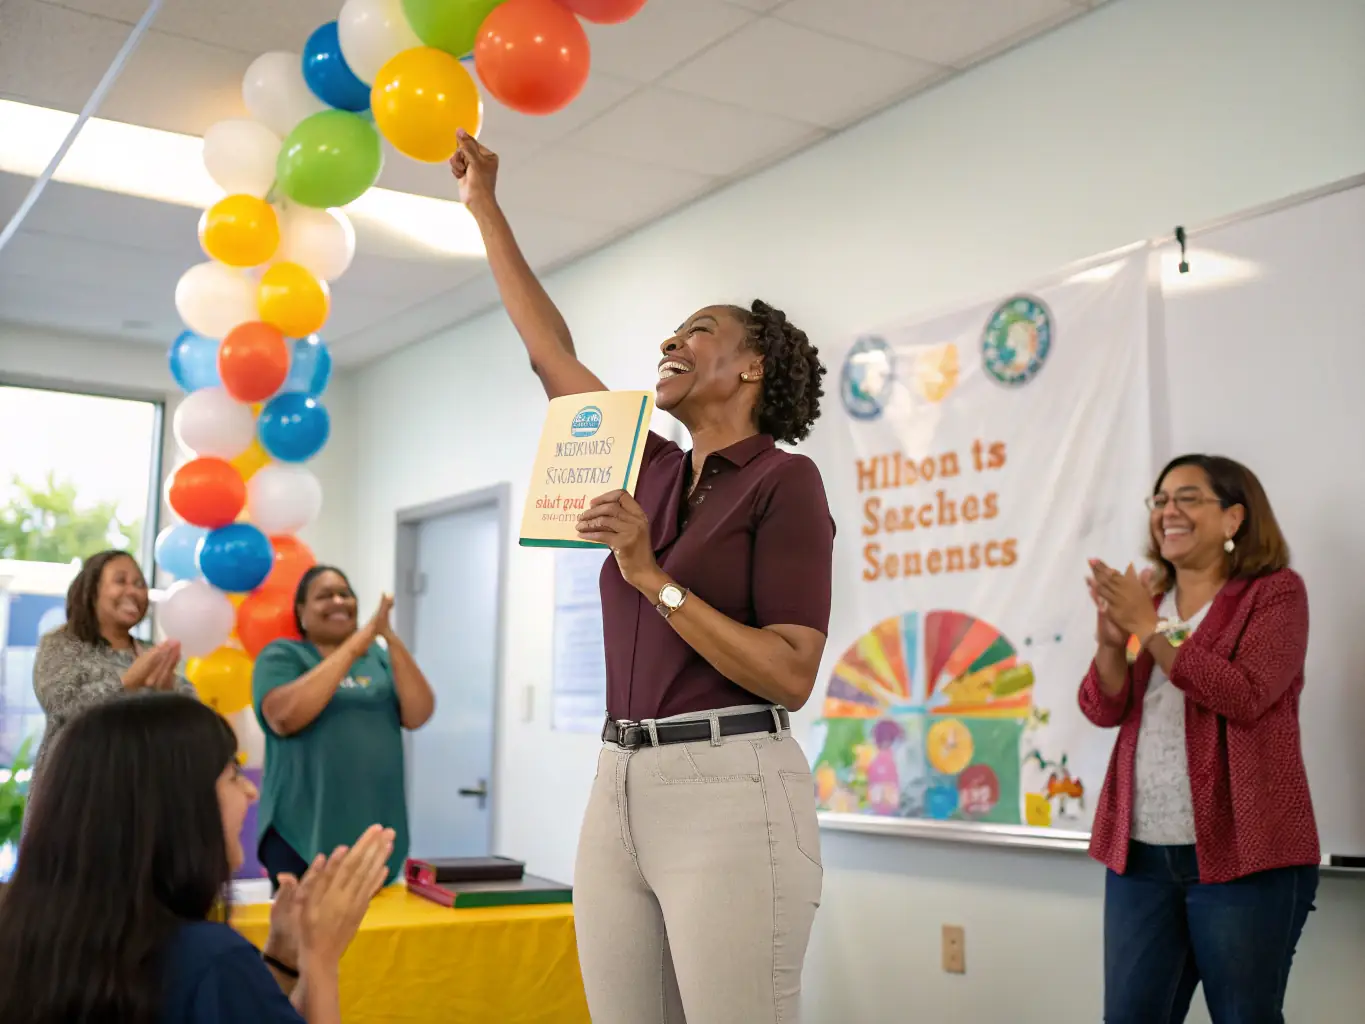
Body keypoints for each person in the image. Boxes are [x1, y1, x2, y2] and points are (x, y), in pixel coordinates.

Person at [451, 130, 834, 1024]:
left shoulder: (785, 482)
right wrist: (486, 209)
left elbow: (788, 672)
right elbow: (549, 352)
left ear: (750, 365)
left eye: (698, 330)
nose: (673, 339)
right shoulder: (649, 468)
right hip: (618, 782)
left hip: (732, 783)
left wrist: (650, 574)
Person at [1081, 454, 1318, 1024]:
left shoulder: (1275, 595)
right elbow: (1103, 707)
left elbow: (1243, 695)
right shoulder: (1151, 599)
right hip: (1139, 856)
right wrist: (1113, 643)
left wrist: (1148, 629)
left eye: (1188, 497)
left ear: (1234, 518)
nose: (1168, 511)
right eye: (1160, 500)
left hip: (1245, 857)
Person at [0, 691, 394, 1023]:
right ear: (179, 806)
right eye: (233, 775)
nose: (251, 793)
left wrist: (283, 960)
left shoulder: (25, 935)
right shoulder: (207, 956)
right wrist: (321, 960)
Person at [252, 565, 434, 890]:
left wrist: (388, 638)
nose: (338, 601)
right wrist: (356, 644)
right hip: (300, 836)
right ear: (301, 611)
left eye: (345, 594)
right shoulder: (282, 656)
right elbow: (284, 717)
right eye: (324, 596)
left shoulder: (377, 658)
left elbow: (419, 714)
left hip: (373, 836)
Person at [30, 549, 194, 790]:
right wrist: (128, 682)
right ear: (92, 589)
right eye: (121, 581)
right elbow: (64, 704)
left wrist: (168, 697)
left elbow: (193, 718)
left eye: (139, 584)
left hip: (142, 792)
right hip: (75, 792)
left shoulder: (152, 653)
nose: (134, 591)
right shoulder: (61, 644)